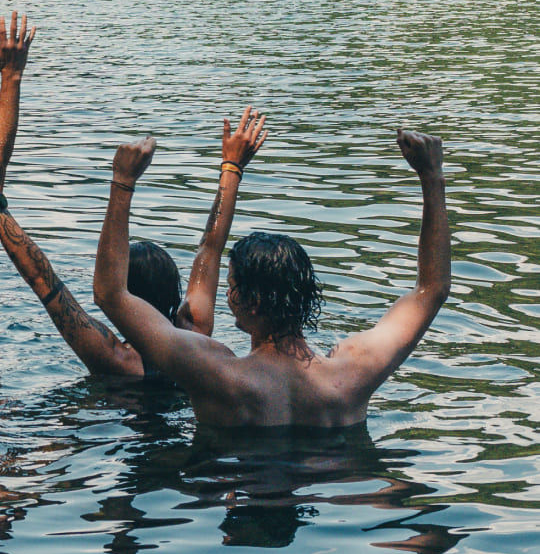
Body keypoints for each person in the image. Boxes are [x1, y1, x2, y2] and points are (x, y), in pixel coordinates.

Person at [92, 128, 451, 430]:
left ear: (250, 301)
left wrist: (122, 182)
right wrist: (432, 177)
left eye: (231, 287)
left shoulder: (216, 373)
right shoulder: (353, 372)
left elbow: (111, 294)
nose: (227, 295)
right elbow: (432, 290)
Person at [0, 106, 269, 377]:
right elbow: (210, 249)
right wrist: (232, 167)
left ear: (127, 293)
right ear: (175, 292)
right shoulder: (195, 336)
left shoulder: (111, 357)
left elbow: (42, 280)